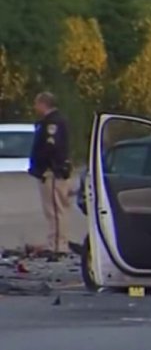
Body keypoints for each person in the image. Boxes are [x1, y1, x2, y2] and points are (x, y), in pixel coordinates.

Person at [28, 92, 72, 257]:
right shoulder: (51, 121)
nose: (34, 107)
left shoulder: (53, 122)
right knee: (52, 210)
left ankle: (59, 246)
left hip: (53, 173)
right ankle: (54, 242)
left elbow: (50, 147)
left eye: (36, 103)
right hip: (51, 172)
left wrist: (46, 166)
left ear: (43, 104)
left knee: (56, 209)